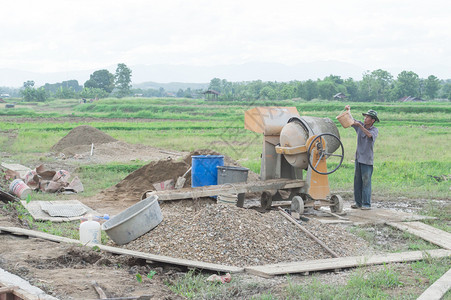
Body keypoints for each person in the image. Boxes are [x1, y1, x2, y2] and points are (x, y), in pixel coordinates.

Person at [345, 105, 379, 210]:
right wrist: (348, 111)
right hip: (358, 158)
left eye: (368, 117)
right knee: (357, 181)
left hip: (367, 160)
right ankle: (358, 203)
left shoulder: (374, 130)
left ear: (372, 120)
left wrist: (360, 126)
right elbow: (351, 120)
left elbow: (369, 135)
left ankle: (366, 204)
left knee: (366, 181)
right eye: (365, 116)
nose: (365, 118)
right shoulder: (360, 125)